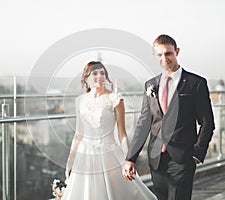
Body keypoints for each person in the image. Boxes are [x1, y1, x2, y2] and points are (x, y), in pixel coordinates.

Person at [123, 34, 215, 200]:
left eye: (168, 53)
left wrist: (197, 153)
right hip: (156, 158)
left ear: (177, 52)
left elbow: (207, 122)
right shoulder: (150, 85)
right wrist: (131, 158)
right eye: (159, 54)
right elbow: (144, 123)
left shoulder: (196, 83)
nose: (164, 58)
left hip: (183, 157)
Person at [62, 61, 157, 200]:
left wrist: (128, 160)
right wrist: (70, 163)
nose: (99, 76)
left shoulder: (115, 99)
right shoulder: (80, 101)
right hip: (85, 154)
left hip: (109, 153)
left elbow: (122, 134)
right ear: (86, 78)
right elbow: (78, 133)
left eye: (102, 73)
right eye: (95, 73)